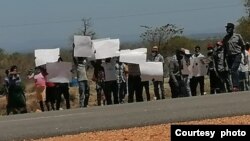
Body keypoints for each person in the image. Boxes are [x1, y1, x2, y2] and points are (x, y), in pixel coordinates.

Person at [223, 23, 246, 92]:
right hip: (229, 57)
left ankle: (235, 86)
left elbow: (243, 46)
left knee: (233, 69)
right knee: (232, 71)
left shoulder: (238, 36)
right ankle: (238, 85)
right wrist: (224, 60)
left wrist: (244, 56)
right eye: (227, 28)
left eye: (229, 28)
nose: (228, 29)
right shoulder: (225, 38)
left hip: (237, 55)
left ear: (233, 29)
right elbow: (225, 50)